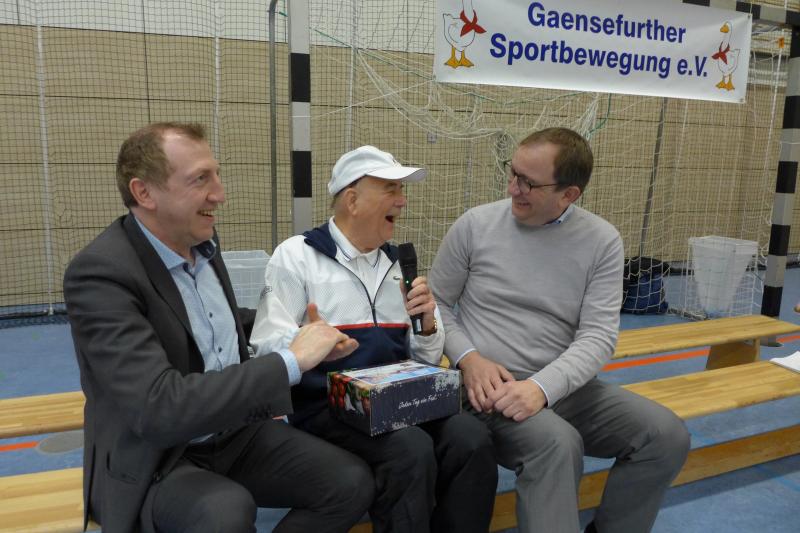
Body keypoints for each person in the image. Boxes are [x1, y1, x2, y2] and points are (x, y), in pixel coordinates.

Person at [63, 122, 374, 533]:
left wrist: (296, 334)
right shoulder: (101, 274)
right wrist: (290, 360)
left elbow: (214, 323)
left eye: (217, 174)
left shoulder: (203, 243)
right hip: (159, 456)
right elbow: (159, 408)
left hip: (235, 434)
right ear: (144, 193)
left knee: (350, 483)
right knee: (224, 512)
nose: (220, 194)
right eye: (200, 179)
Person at [429, 128, 690, 533]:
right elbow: (436, 305)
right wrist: (469, 358)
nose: (513, 188)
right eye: (513, 173)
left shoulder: (601, 241)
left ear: (569, 194)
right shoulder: (474, 226)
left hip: (562, 387)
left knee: (666, 435)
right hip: (487, 389)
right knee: (555, 445)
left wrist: (542, 388)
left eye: (529, 183)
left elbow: (598, 337)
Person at [250, 145, 498, 533]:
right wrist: (308, 343)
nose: (402, 201)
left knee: (472, 437)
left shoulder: (397, 264)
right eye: (391, 189)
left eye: (402, 190)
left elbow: (425, 361)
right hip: (325, 408)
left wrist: (427, 326)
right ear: (352, 200)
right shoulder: (297, 256)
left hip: (396, 402)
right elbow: (264, 348)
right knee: (409, 448)